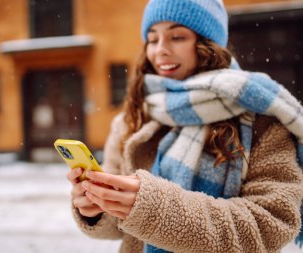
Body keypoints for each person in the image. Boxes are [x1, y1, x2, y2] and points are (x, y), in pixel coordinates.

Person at [66, 0, 303, 252]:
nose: (161, 50)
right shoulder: (135, 115)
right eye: (152, 39)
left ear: (207, 44)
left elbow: (273, 222)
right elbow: (118, 226)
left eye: (177, 37)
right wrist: (96, 206)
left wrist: (158, 210)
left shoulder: (260, 114)